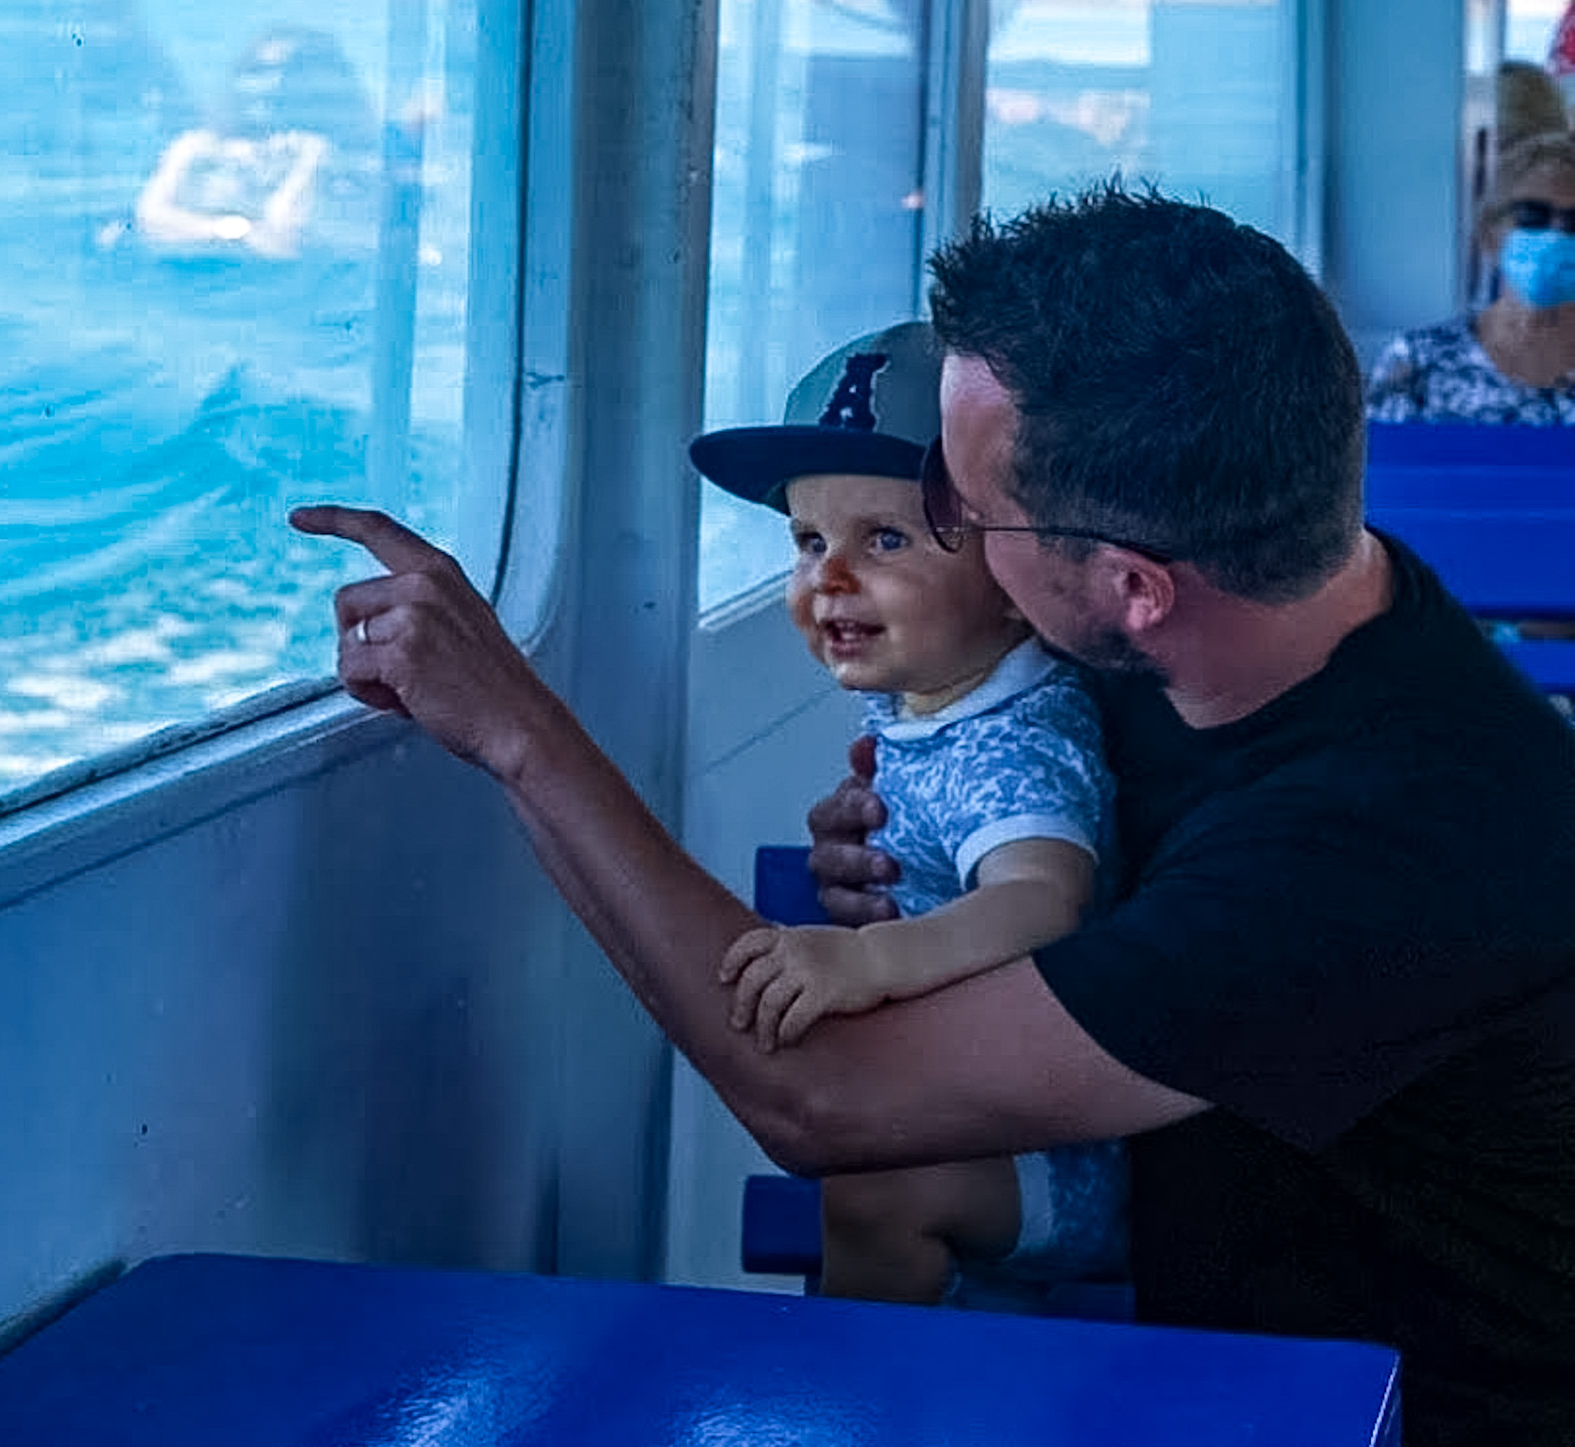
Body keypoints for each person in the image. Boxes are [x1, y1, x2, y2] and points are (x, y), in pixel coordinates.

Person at [293, 185, 1575, 1446]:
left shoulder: (1384, 844)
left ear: (1132, 584)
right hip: (1224, 1352)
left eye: (957, 509)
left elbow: (823, 1105)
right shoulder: (1227, 640)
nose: (941, 525)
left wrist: (519, 731)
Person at [688, 319, 1123, 1305]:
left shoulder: (1015, 738)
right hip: (974, 1107)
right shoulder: (942, 700)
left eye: (882, 539)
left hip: (1049, 1155)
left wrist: (864, 961)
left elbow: (1041, 898)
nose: (828, 577)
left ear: (1020, 577)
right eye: (807, 541)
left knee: (873, 1192)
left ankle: (859, 1398)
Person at [1366, 131, 1575, 423]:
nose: (1556, 234)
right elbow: (1377, 464)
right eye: (1532, 215)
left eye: (1574, 221)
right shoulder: (1420, 363)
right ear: (1490, 235)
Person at [133, 28, 375, 260]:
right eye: (260, 71)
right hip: (195, 281)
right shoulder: (198, 147)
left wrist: (309, 165)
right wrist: (236, 230)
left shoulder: (341, 161)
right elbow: (150, 217)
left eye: (291, 72)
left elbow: (283, 237)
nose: (274, 83)